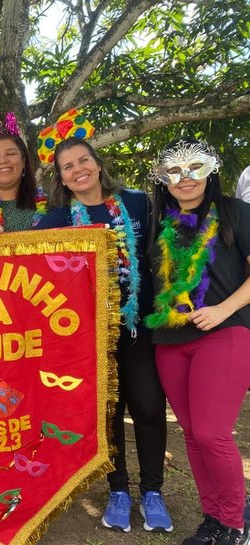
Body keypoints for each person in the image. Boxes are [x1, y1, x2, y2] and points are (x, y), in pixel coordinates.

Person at [35, 136, 171, 533]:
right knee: (106, 413)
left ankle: (152, 493)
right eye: (68, 167)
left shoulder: (139, 204)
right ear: (61, 177)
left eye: (83, 161)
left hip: (139, 328)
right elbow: (22, 256)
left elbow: (169, 248)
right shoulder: (58, 220)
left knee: (147, 406)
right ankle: (118, 490)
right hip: (89, 338)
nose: (78, 170)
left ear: (97, 163)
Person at [146, 138, 250, 545]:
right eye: (174, 170)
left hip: (223, 334)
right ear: (163, 179)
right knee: (191, 434)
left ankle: (234, 523)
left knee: (212, 433)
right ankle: (215, 519)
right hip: (170, 340)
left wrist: (223, 309)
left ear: (210, 169)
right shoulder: (160, 220)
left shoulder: (235, 213)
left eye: (194, 167)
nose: (185, 178)